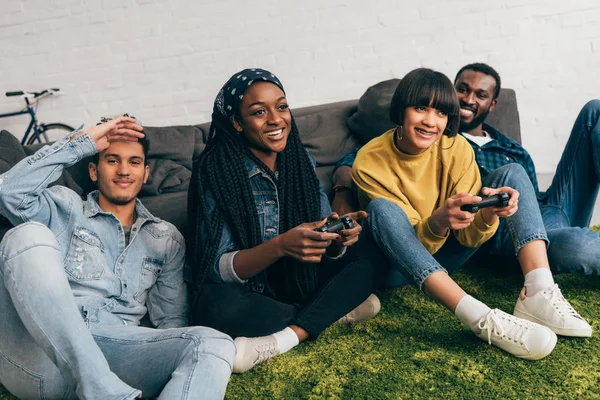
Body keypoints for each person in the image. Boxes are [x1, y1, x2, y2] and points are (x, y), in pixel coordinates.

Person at [351, 68, 591, 360]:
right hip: (398, 266)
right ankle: (479, 317)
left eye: (441, 113)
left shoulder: (456, 147)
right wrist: (439, 220)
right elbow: (411, 247)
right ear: (401, 109)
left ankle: (538, 292)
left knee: (512, 173)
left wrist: (489, 213)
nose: (430, 121)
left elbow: (468, 238)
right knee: (381, 209)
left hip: (452, 254)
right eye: (420, 108)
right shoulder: (368, 161)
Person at [0, 116, 234, 400]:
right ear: (93, 171)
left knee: (213, 344)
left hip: (115, 351)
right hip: (41, 356)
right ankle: (102, 392)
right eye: (112, 160)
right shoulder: (63, 206)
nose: (124, 170)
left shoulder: (166, 239)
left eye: (134, 162)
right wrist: (81, 141)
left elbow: (172, 324)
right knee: (25, 235)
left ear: (145, 173)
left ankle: (103, 387)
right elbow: (8, 192)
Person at [187, 68, 385, 374]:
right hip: (253, 292)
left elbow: (322, 231)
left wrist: (337, 239)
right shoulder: (215, 172)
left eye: (281, 107)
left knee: (369, 258)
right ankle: (330, 311)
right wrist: (280, 246)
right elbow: (215, 268)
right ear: (237, 123)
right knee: (214, 308)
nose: (276, 119)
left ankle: (287, 336)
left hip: (300, 279)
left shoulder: (299, 159)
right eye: (258, 112)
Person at [333, 63, 600, 277]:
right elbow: (359, 160)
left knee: (594, 111)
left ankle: (561, 243)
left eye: (481, 95)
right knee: (582, 247)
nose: (469, 99)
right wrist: (343, 191)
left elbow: (527, 191)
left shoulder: (510, 147)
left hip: (542, 212)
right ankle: (545, 279)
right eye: (462, 89)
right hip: (499, 231)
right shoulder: (432, 138)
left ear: (492, 104)